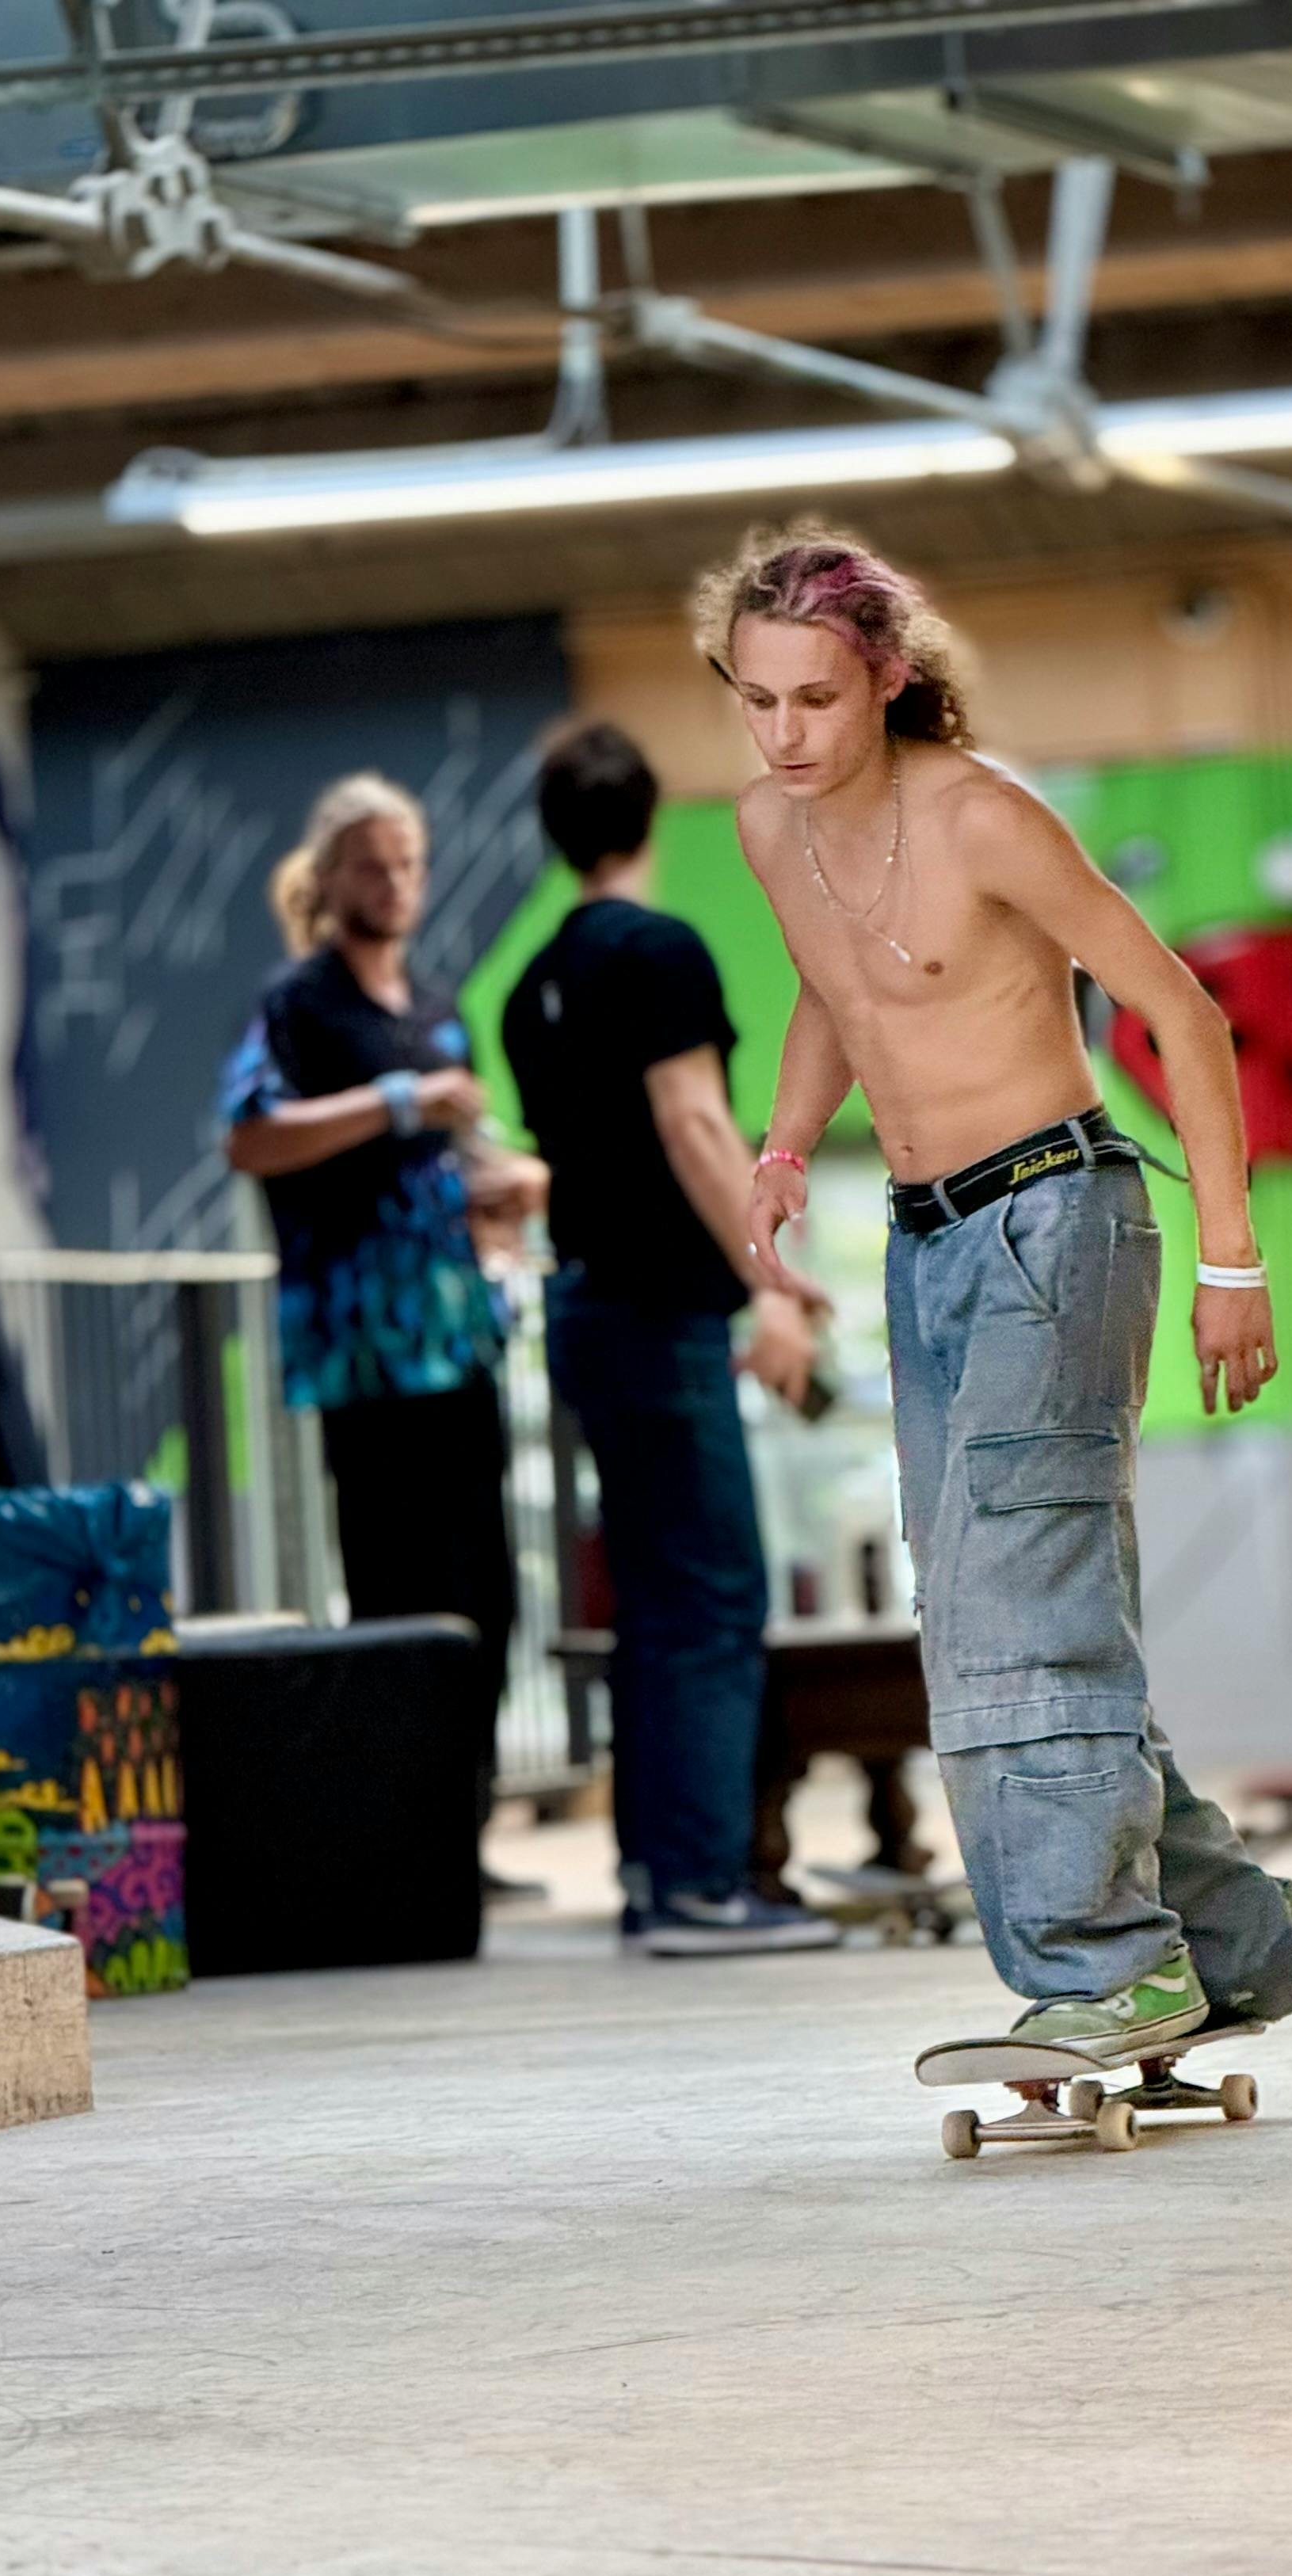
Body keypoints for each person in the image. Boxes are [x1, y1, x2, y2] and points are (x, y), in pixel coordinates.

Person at [695, 527, 1292, 2052]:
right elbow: (836, 991)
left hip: (1059, 1216)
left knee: (1011, 1612)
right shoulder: (771, 833)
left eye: (817, 702)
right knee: (1002, 1597)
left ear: (889, 680)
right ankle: (1229, 1937)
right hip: (925, 1246)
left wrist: (1232, 1260)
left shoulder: (983, 818)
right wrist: (784, 1144)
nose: (785, 735)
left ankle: (1113, 1970)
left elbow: (1187, 1014)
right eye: (756, 699)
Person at [503, 720, 839, 1955]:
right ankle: (703, 1884)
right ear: (653, 818)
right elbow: (696, 1125)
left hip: (587, 1305)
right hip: (657, 1310)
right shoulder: (658, 950)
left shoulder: (537, 980)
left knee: (652, 1603)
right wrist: (769, 1278)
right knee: (710, 1595)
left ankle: (657, 1873)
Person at [221, 772, 545, 1893]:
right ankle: (404, 1837)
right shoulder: (301, 1003)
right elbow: (252, 1136)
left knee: (488, 1590)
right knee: (397, 1590)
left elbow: (454, 1170)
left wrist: (501, 1193)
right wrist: (398, 1102)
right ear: (332, 875)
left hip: (457, 1337)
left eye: (408, 862)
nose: (394, 883)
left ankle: (466, 1823)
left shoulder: (434, 1001)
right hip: (364, 1351)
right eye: (372, 864)